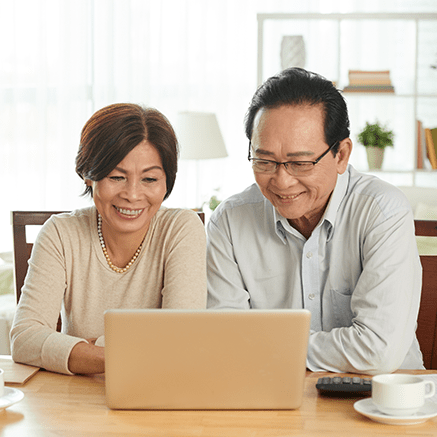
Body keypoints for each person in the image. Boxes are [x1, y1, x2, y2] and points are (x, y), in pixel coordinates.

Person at [207, 68, 423, 375]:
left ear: (341, 155)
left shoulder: (382, 212)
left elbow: (378, 351)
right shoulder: (229, 222)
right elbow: (223, 342)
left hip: (385, 404)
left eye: (300, 163)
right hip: (272, 399)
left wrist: (264, 345)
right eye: (264, 161)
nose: (282, 181)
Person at [11, 103, 207, 375]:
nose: (133, 194)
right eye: (116, 176)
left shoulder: (181, 228)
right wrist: (117, 357)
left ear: (167, 182)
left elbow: (181, 341)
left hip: (156, 393)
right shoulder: (59, 233)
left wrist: (83, 348)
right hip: (75, 397)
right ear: (88, 175)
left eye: (149, 179)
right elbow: (23, 339)